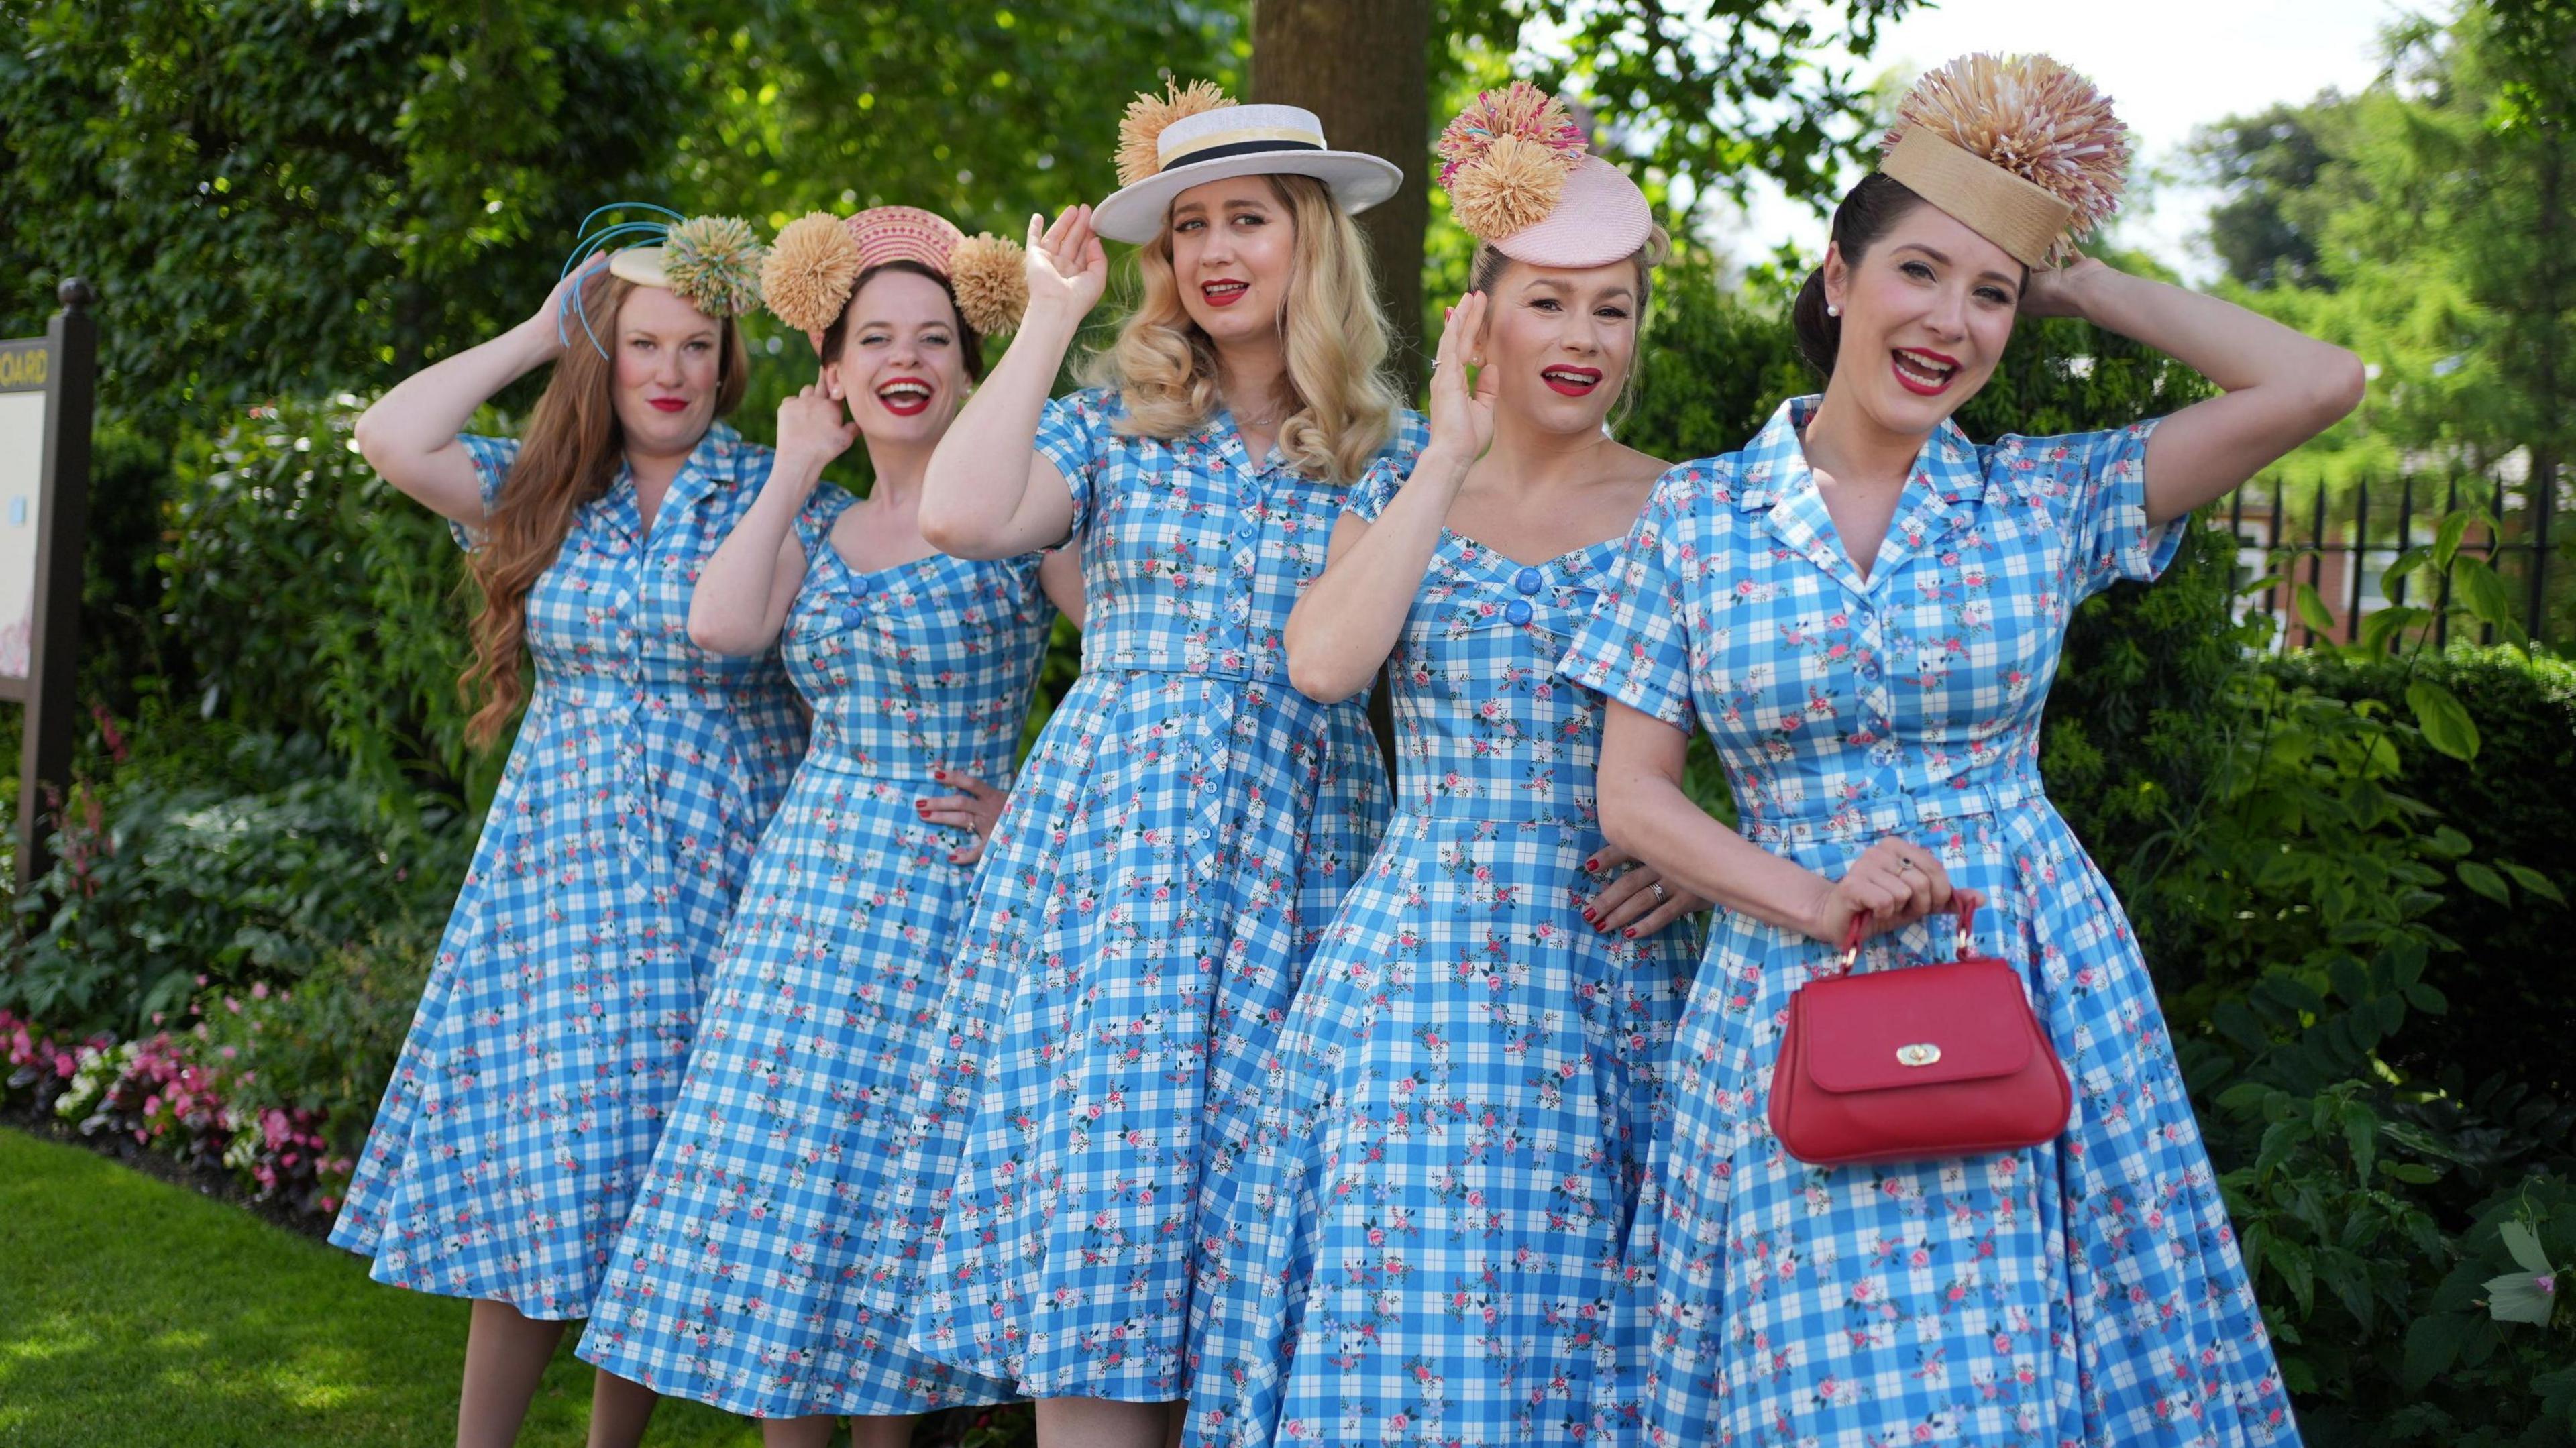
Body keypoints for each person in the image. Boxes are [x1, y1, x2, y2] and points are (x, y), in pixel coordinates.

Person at [1560, 54, 2360, 1446]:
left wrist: (2072, 275)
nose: (1951, 321)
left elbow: (2317, 380)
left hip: (2028, 969)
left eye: (1990, 295)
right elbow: (1630, 797)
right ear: (1835, 280)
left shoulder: (2041, 500)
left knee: (2019, 1381)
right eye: (1919, 272)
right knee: (1822, 1392)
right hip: (1789, 984)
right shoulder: (1694, 523)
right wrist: (1815, 896)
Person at [899, 81, 1426, 1447]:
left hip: (1298, 851)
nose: (1213, 251)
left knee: (1254, 1207)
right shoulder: (1119, 427)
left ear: (1312, 240)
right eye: (1188, 227)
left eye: (1247, 218)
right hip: (1113, 862)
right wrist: (1055, 316)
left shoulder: (1389, 447)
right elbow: (957, 514)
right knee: (1110, 1190)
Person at [1191, 82, 1705, 1448]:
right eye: (1549, 301)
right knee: (1403, 1299)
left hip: (1610, 969)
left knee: (1592, 1315)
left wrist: (1702, 869)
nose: (1585, 335)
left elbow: (1777, 735)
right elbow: (1321, 664)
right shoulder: (1408, 482)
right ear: (1485, 315)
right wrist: (1446, 456)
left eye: (1614, 307)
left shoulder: (1694, 510)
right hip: (1419, 969)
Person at [573, 207, 1082, 1447]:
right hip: (806, 899)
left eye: (929, 340)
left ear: (967, 363)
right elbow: (722, 629)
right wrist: (797, 462)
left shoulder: (1021, 517)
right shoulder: (812, 523)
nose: (903, 360)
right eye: (873, 341)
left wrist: (1033, 801)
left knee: (892, 1198)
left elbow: (1130, 669)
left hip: (950, 895)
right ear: (837, 369)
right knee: (793, 1200)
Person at [331, 207, 799, 1448]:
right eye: (645, 344)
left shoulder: (775, 488)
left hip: (717, 879)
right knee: (547, 1169)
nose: (672, 372)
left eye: (699, 347)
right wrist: (545, 331)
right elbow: (389, 433)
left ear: (728, 363)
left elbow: (882, 622)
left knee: (648, 1180)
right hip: (560, 885)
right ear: (611, 356)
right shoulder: (550, 492)